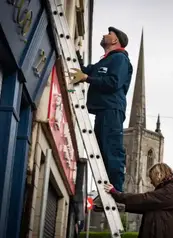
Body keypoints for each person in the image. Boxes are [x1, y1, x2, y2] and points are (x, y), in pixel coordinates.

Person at [71, 27, 133, 210]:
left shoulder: (120, 59)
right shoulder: (103, 62)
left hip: (112, 109)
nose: (104, 35)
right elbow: (84, 69)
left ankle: (117, 194)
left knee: (112, 150)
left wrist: (87, 78)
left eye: (109, 34)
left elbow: (113, 82)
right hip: (103, 110)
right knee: (103, 153)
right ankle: (106, 193)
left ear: (115, 41)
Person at [104, 163, 173, 238]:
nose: (151, 182)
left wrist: (117, 194)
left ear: (158, 175)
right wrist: (120, 206)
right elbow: (146, 206)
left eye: (151, 178)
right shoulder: (171, 189)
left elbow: (145, 199)